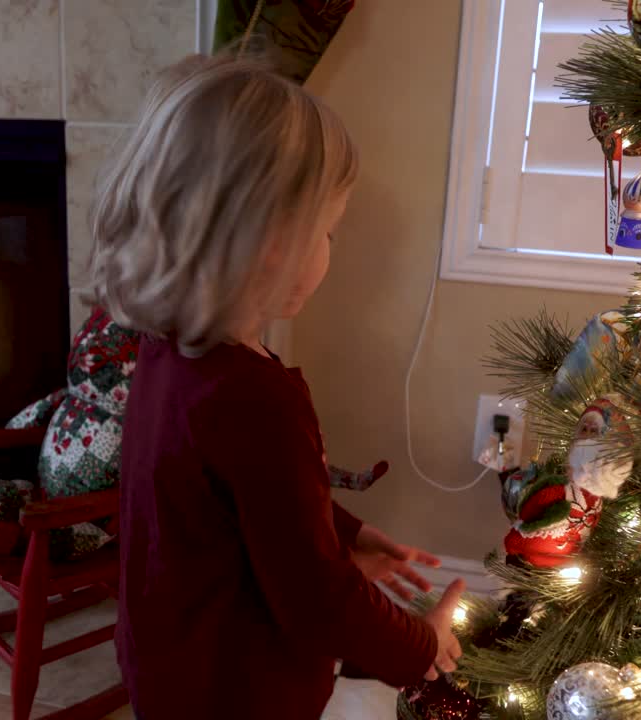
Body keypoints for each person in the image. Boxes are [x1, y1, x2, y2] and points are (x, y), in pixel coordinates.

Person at [85, 53, 465, 719]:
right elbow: (317, 600)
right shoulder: (255, 399)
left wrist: (342, 530)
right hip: (240, 689)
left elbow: (238, 499)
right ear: (270, 243)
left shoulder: (169, 348)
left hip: (170, 661)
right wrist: (419, 643)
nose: (329, 247)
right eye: (326, 230)